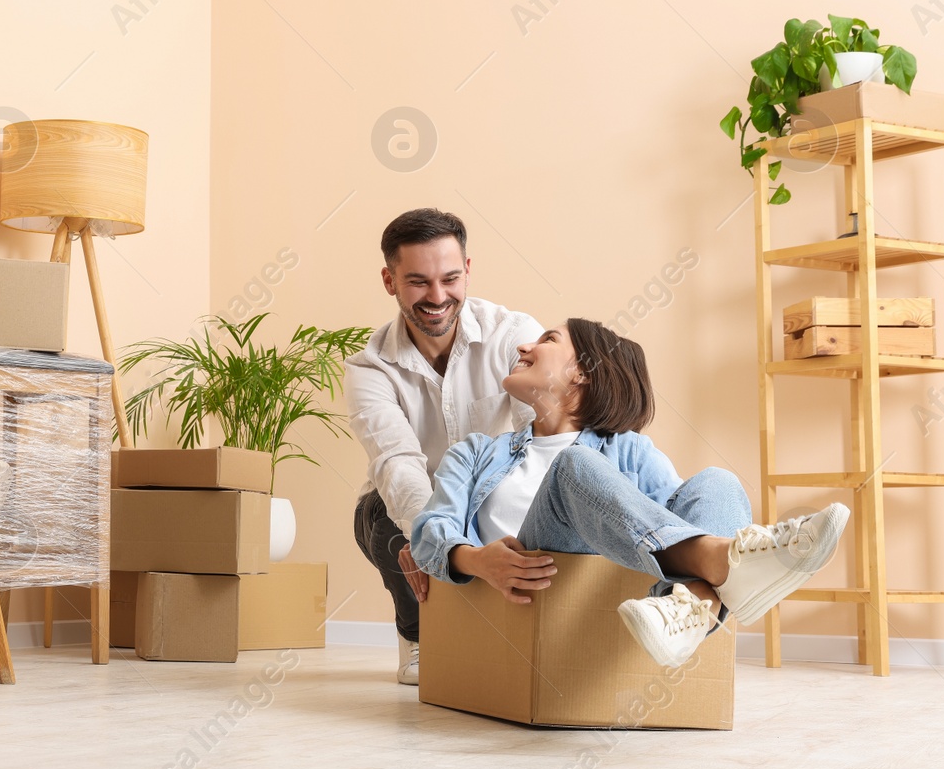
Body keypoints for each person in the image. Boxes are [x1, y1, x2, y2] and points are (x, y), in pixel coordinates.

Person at [408, 318, 849, 667]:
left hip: (594, 609)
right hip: (528, 586)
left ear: (582, 372)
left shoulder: (631, 451)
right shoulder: (477, 452)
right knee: (574, 465)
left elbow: (684, 516)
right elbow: (430, 532)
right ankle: (727, 565)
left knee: (718, 481)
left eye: (546, 339)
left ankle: (690, 607)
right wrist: (476, 560)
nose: (523, 347)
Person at [346, 208, 543, 685]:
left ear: (468, 270)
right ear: (389, 281)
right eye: (418, 282)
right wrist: (434, 537)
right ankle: (419, 635)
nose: (437, 297)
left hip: (501, 501)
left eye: (450, 278)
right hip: (420, 508)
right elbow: (397, 464)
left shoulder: (513, 336)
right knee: (378, 514)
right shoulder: (369, 369)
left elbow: (545, 435)